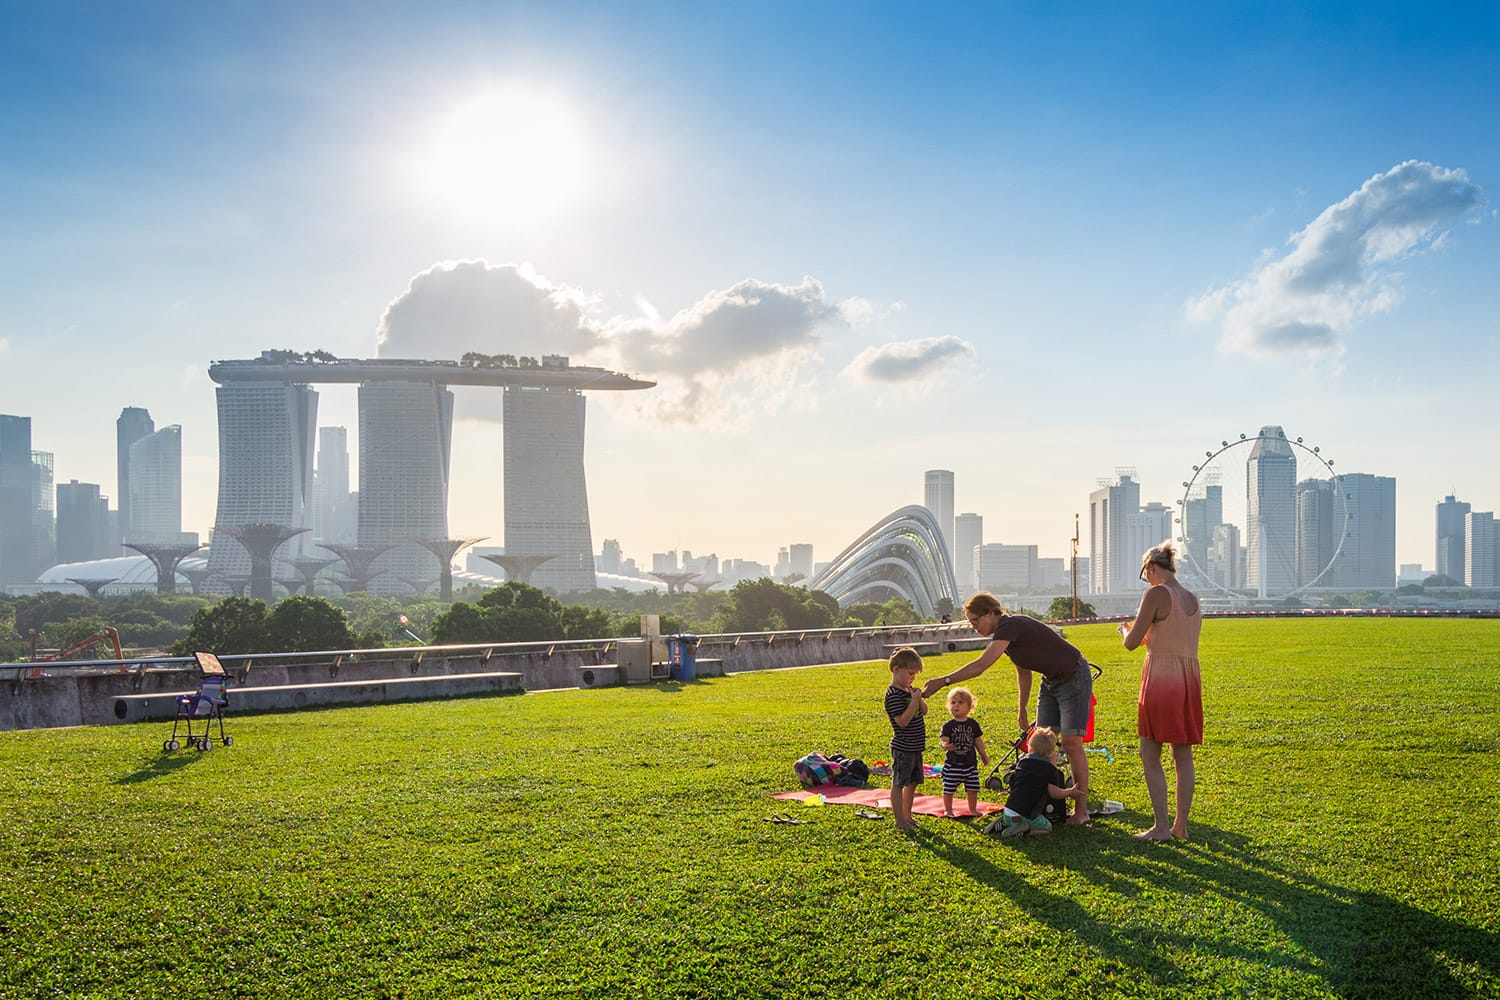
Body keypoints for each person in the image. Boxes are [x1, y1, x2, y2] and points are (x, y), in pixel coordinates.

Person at [922, 593, 1095, 824]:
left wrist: (943, 681)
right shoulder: (1007, 637)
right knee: (1042, 743)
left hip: (1073, 675)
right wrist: (1022, 708)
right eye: (970, 623)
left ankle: (1081, 809)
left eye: (976, 621)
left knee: (1072, 742)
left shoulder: (1010, 625)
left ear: (991, 613)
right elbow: (1023, 670)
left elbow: (982, 665)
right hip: (1050, 681)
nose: (974, 627)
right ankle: (1045, 802)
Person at [1118, 540, 1203, 841]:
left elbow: (1131, 643)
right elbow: (1172, 636)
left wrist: (1126, 631)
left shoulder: (1156, 593)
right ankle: (1181, 826)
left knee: (1149, 753)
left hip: (1161, 678)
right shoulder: (1192, 598)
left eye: (1145, 574)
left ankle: (1161, 827)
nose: (1147, 579)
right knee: (1183, 755)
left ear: (1151, 568)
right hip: (1188, 678)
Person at [988, 726, 1086, 837]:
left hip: (1009, 810)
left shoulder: (1022, 762)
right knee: (1046, 827)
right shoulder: (1048, 769)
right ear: (1051, 753)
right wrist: (1069, 792)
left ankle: (1003, 823)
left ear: (1029, 746)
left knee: (1012, 817)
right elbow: (1053, 792)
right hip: (1026, 814)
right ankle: (1024, 831)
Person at [884, 646, 928, 831]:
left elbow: (924, 711)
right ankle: (899, 819)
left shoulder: (909, 691)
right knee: (899, 783)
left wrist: (919, 698)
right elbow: (902, 721)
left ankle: (907, 815)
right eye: (910, 673)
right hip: (903, 746)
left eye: (915, 675)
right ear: (896, 669)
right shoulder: (893, 695)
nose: (912, 678)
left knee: (913, 782)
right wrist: (914, 701)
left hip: (916, 745)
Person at [939, 686, 990, 817]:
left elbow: (978, 741)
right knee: (949, 788)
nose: (956, 706)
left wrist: (983, 754)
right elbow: (943, 739)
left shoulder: (973, 724)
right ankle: (948, 810)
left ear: (969, 707)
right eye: (953, 702)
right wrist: (945, 745)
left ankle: (972, 809)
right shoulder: (948, 725)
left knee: (973, 788)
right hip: (953, 764)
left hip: (970, 764)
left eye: (960, 703)